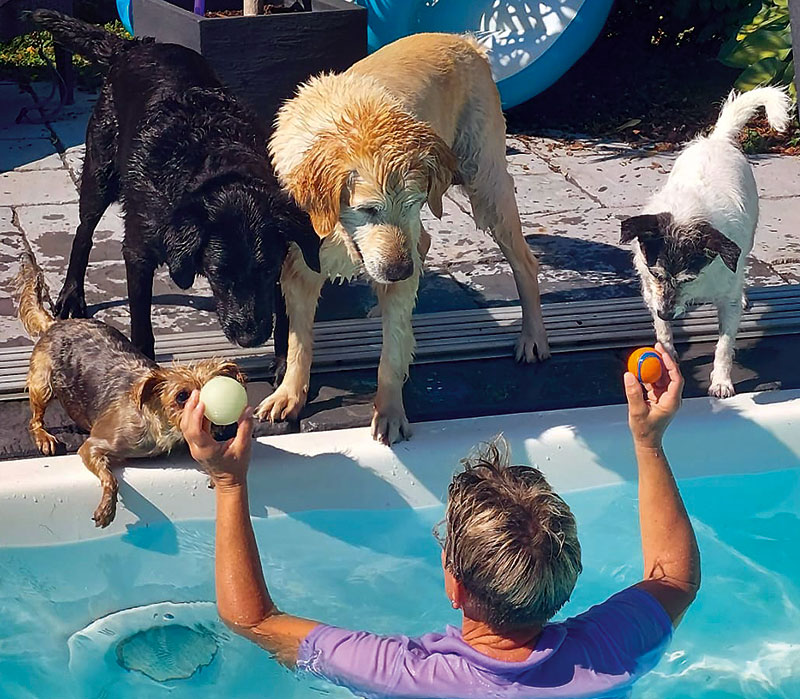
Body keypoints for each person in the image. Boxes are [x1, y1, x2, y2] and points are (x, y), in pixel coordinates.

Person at [179, 343, 700, 698]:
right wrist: (649, 443)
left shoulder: (409, 677)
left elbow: (252, 621)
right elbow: (674, 577)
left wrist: (229, 483)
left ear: (453, 584)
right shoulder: (609, 653)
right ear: (566, 580)